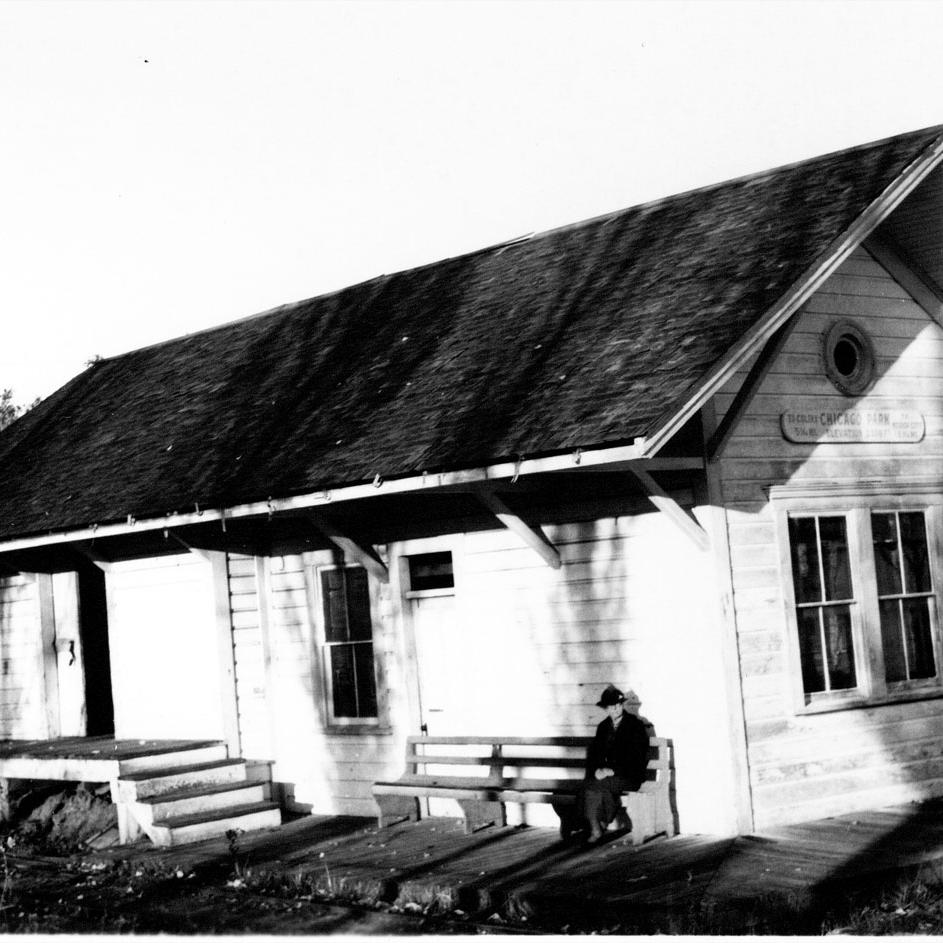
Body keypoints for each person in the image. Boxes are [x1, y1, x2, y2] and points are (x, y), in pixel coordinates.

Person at [576, 685, 650, 843]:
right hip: (607, 778)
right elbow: (594, 754)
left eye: (618, 705)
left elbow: (637, 758)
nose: (616, 709)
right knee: (588, 784)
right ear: (606, 708)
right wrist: (596, 770)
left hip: (629, 775)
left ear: (622, 705)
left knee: (597, 786)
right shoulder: (603, 727)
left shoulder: (635, 726)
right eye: (612, 706)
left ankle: (597, 827)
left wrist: (612, 771)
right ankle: (598, 823)